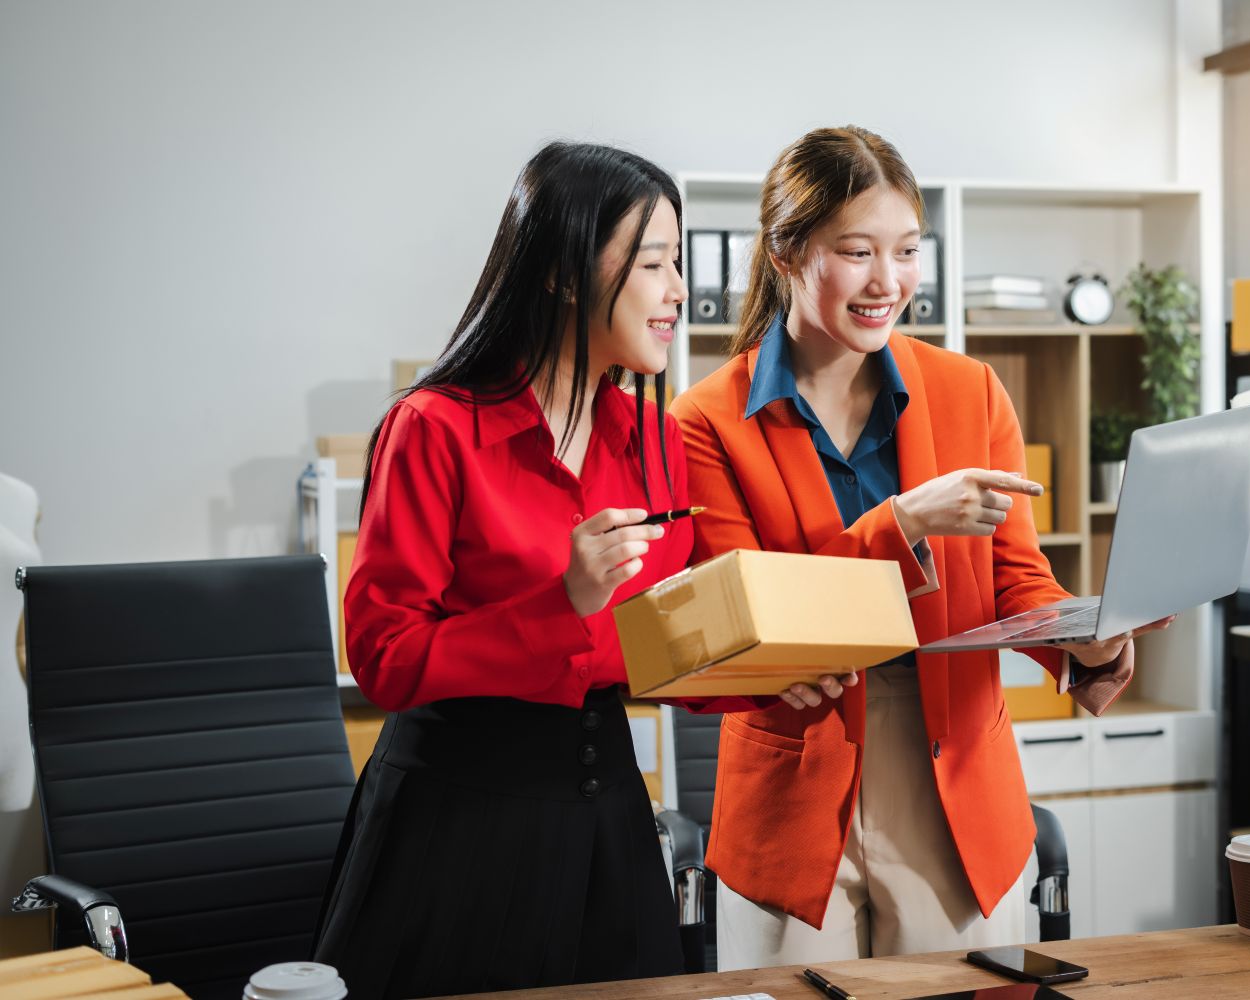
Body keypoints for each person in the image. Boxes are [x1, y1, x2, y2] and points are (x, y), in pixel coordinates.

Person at [669, 125, 1170, 968]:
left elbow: (1017, 582)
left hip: (955, 774)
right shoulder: (704, 422)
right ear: (787, 252)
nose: (887, 282)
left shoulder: (969, 390)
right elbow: (745, 618)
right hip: (792, 792)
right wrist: (901, 524)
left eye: (907, 251)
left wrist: (1083, 639)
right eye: (857, 251)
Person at [313, 141, 707, 998]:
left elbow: (660, 640)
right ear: (565, 274)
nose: (679, 289)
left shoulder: (655, 439)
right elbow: (383, 657)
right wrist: (563, 602)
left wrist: (769, 677)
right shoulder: (433, 428)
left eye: (678, 263)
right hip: (459, 824)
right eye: (653, 264)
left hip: (610, 821)